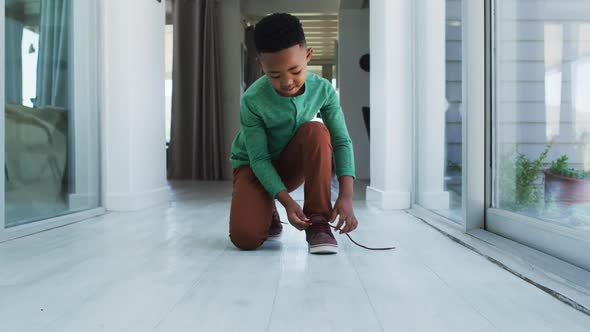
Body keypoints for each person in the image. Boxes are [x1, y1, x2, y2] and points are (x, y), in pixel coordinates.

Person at [229, 13, 357, 254]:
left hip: (290, 163)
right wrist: (287, 202)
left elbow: (341, 141)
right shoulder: (251, 100)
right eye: (274, 75)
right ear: (261, 65)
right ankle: (268, 211)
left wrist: (347, 196)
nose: (287, 82)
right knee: (245, 238)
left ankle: (318, 222)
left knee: (317, 131)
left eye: (295, 70)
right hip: (254, 166)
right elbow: (259, 159)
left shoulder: (324, 90)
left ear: (308, 56)